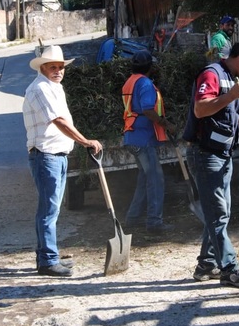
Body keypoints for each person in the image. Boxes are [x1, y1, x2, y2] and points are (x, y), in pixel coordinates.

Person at [182, 37, 239, 288]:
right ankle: (229, 268)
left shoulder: (236, 81)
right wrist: (230, 95)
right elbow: (200, 109)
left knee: (221, 213)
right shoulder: (212, 75)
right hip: (205, 154)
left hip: (223, 154)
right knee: (218, 213)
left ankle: (206, 264)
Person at [23, 45, 103, 277]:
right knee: (48, 210)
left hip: (56, 154)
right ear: (43, 68)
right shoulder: (39, 89)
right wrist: (84, 141)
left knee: (52, 209)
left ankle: (48, 257)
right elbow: (58, 121)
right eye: (53, 67)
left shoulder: (54, 87)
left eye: (60, 67)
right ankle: (48, 260)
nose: (58, 70)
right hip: (45, 155)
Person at [121, 49, 175, 233]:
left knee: (145, 178)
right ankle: (154, 222)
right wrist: (166, 124)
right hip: (142, 138)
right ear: (151, 66)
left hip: (132, 136)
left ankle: (132, 218)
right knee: (156, 179)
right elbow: (148, 110)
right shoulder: (144, 83)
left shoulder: (130, 82)